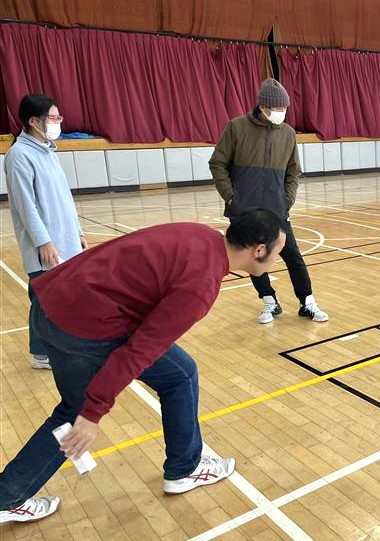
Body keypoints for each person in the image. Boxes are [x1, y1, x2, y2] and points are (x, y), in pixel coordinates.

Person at [0, 211, 286, 524]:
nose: (278, 258)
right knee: (89, 409)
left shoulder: (199, 234)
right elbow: (140, 350)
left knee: (177, 374)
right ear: (259, 250)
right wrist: (94, 411)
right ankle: (184, 469)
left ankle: (184, 465)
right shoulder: (201, 285)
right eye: (278, 252)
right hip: (82, 325)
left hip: (53, 299)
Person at [210, 78, 328, 324]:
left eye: (284, 108)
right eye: (277, 108)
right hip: (244, 211)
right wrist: (231, 197)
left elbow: (293, 171)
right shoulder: (236, 127)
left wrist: (287, 199)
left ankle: (307, 302)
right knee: (254, 258)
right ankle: (269, 302)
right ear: (262, 107)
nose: (281, 113)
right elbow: (217, 163)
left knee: (293, 257)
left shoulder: (288, 134)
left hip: (277, 210)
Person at [4, 95, 87, 370]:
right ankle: (41, 353)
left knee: (63, 297)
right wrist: (43, 242)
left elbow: (64, 198)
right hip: (45, 245)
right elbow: (26, 205)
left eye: (58, 117)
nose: (58, 122)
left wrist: (78, 231)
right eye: (53, 118)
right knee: (44, 300)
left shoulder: (48, 151)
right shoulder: (19, 155)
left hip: (66, 238)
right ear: (33, 121)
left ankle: (63, 344)